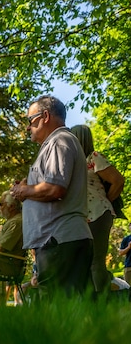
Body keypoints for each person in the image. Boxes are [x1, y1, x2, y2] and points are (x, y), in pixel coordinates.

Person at [10, 95, 93, 298]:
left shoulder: (59, 141)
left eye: (30, 120)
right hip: (61, 240)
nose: (28, 127)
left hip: (59, 240)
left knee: (58, 309)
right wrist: (29, 188)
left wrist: (23, 191)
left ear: (45, 116)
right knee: (77, 311)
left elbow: (55, 188)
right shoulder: (56, 143)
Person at [70, 124, 125, 296]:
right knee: (82, 261)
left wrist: (105, 201)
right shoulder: (72, 164)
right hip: (82, 217)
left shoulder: (93, 158)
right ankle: (89, 302)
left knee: (96, 261)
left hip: (99, 214)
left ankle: (102, 301)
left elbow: (118, 180)